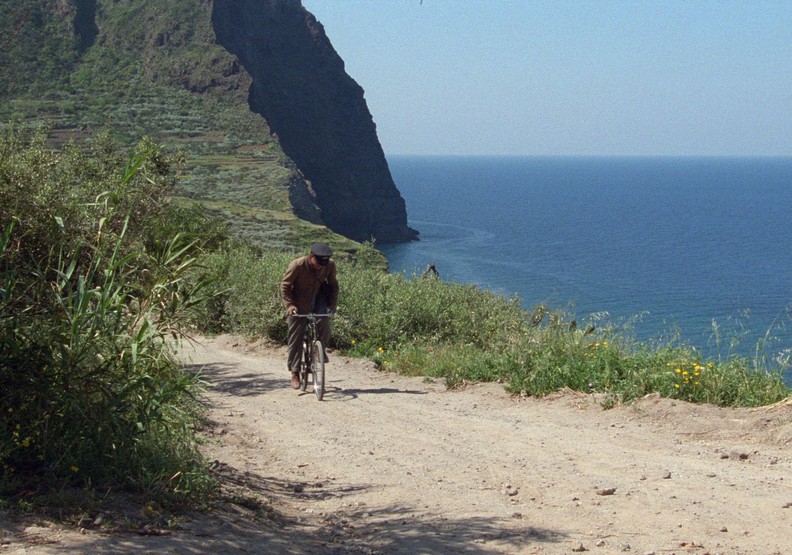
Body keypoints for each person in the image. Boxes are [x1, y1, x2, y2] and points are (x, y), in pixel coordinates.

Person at [280, 242, 339, 389]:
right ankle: (295, 372)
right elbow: (285, 286)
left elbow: (333, 285)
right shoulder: (297, 265)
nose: (321, 266)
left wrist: (332, 305)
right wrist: (290, 306)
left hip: (318, 297)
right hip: (298, 300)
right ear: (311, 256)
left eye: (324, 263)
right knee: (296, 335)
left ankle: (319, 350)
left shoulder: (329, 265)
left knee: (324, 322)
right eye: (318, 262)